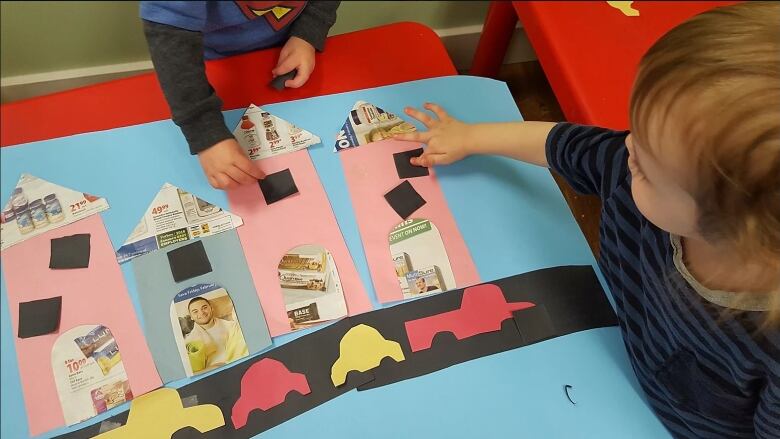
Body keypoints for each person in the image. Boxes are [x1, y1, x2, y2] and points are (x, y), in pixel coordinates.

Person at [396, 3, 779, 437]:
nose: (628, 148)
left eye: (648, 168)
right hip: (600, 349)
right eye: (638, 131)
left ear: (742, 232)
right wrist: (471, 136)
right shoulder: (634, 164)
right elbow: (565, 145)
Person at [140, 1, 340, 190]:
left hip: (288, 45)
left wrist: (307, 33)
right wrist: (206, 135)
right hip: (210, 63)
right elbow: (170, 31)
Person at [184, 297, 248, 372]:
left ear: (211, 308)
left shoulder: (232, 326)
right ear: (191, 317)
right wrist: (210, 369)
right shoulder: (190, 342)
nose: (201, 313)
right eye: (195, 311)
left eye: (204, 308)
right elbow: (190, 373)